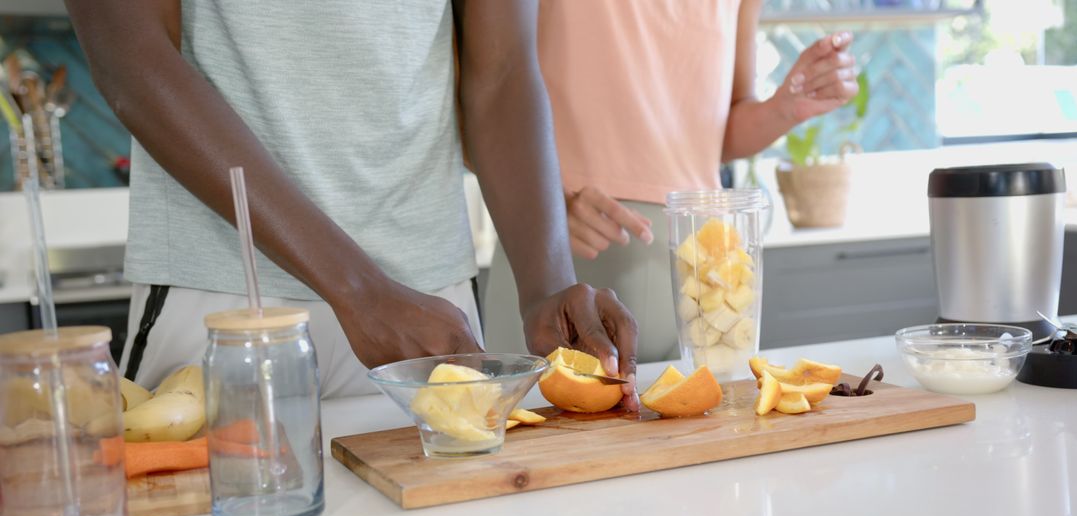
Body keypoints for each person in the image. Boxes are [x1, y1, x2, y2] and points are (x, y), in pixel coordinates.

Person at [66, 0, 639, 409]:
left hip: (432, 311)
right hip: (227, 299)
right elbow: (130, 57)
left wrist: (546, 286)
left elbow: (503, 72)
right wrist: (359, 289)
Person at [484, 0, 859, 362]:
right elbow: (480, 92)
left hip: (699, 260)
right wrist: (548, 201)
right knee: (532, 424)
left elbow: (720, 134)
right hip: (562, 254)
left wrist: (785, 108)